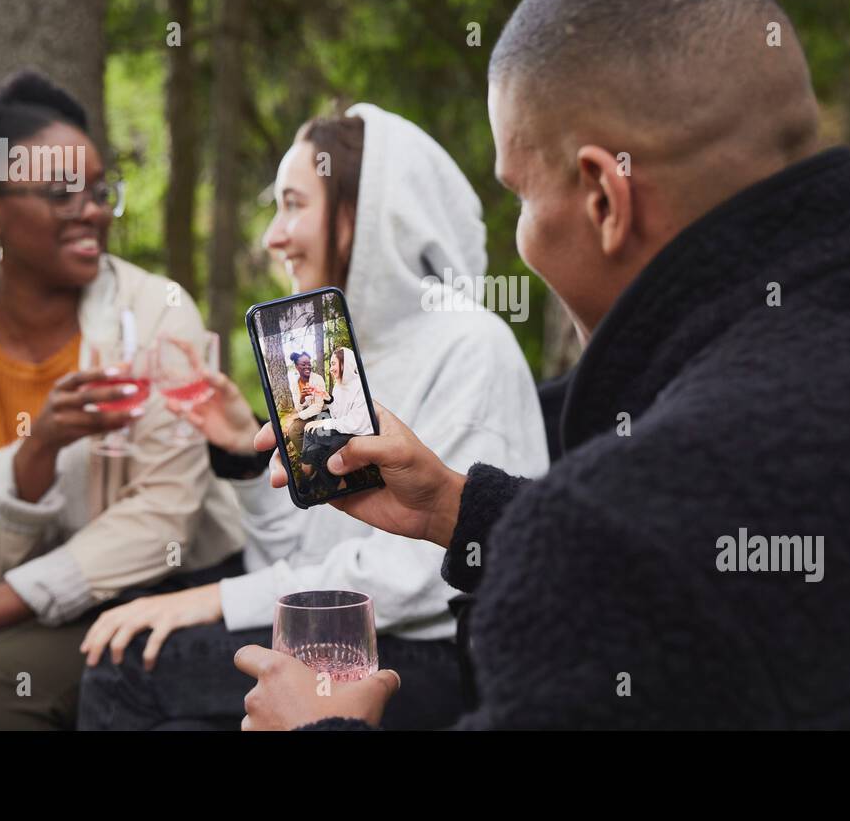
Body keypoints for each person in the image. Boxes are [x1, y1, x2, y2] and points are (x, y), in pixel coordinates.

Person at [232, 0, 850, 730]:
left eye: (518, 196)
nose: (520, 237)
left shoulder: (620, 531)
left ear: (603, 198)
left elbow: (672, 544)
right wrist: (464, 510)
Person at [77, 105, 549, 730]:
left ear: (367, 215)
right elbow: (289, 551)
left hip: (429, 658)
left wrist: (214, 601)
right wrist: (245, 457)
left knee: (126, 669)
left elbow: (418, 580)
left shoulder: (470, 344)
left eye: (295, 204)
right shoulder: (325, 357)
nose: (273, 235)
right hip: (331, 631)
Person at [0, 72, 245, 730]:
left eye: (98, 189)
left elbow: (166, 519)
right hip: (46, 608)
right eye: (61, 194)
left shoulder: (155, 312)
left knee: (3, 689)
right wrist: (37, 450)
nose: (93, 210)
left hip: (182, 584)